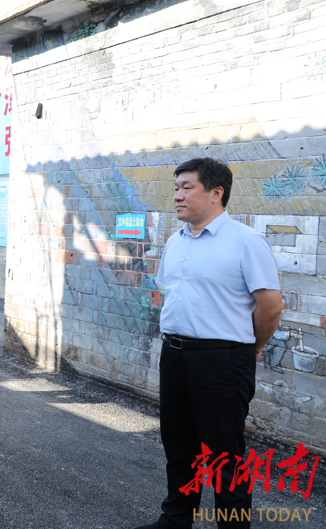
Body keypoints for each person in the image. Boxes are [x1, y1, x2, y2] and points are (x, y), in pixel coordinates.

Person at [135, 158, 282, 529]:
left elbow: (270, 306)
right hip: (174, 355)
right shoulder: (175, 241)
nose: (178, 195)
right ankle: (175, 519)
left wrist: (252, 348)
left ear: (217, 193)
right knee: (178, 446)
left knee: (223, 456)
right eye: (176, 188)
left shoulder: (246, 242)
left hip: (222, 360)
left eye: (187, 187)